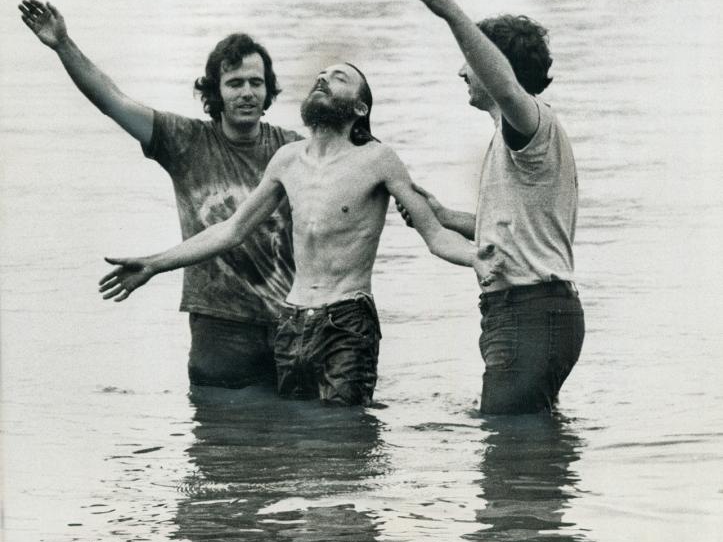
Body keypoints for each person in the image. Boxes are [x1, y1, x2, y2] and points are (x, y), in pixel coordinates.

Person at [99, 62, 495, 407]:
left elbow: (434, 234)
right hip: (291, 323)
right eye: (320, 76)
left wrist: (478, 259)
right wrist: (154, 264)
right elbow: (232, 229)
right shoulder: (287, 159)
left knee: (343, 446)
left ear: (359, 108)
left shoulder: (378, 159)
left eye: (338, 78)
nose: (323, 80)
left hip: (347, 320)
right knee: (298, 438)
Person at [18, 0, 302, 389]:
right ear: (216, 92)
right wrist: (64, 45)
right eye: (235, 83)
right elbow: (112, 102)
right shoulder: (185, 141)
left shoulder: (293, 150)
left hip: (289, 321)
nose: (247, 92)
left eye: (256, 82)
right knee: (220, 445)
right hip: (218, 328)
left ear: (269, 90)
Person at [400, 0, 584, 415]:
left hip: (531, 312)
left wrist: (448, 9)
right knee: (527, 454)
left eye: (473, 59)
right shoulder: (517, 136)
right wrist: (446, 217)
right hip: (530, 312)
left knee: (507, 464)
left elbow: (500, 80)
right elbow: (515, 232)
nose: (462, 71)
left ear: (497, 66)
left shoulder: (529, 122)